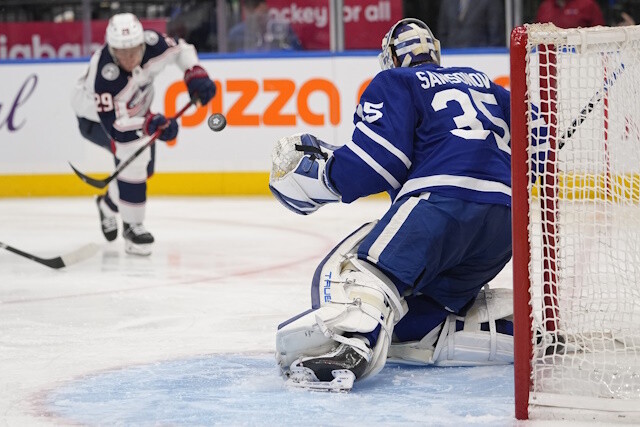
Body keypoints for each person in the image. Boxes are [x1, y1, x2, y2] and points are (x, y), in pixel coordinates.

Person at [269, 18, 514, 391]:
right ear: (435, 50)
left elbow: (376, 163)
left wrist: (327, 177)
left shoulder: (395, 82)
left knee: (364, 271)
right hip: (505, 221)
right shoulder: (490, 87)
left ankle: (351, 348)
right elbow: (538, 143)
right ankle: (509, 330)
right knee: (415, 316)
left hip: (441, 202)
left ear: (391, 57)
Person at [71, 13, 216, 256]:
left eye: (134, 50)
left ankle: (107, 205)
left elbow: (181, 50)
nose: (129, 58)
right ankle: (133, 227)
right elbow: (116, 127)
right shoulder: (105, 76)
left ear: (142, 43)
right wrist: (149, 124)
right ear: (111, 49)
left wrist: (194, 72)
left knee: (143, 171)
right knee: (134, 159)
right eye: (121, 53)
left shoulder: (153, 43)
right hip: (95, 121)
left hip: (137, 110)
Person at [227, 0, 301, 52]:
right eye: (257, 17)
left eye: (264, 14)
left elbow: (297, 54)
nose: (260, 20)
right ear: (247, 12)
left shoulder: (282, 30)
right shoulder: (236, 34)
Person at [437, 0, 505, 47]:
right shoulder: (447, 2)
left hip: (481, 57)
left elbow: (496, 35)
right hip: (452, 57)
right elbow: (442, 33)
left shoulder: (490, 1)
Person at [535, 0, 605, 28]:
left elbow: (600, 33)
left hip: (581, 56)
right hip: (549, 55)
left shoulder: (588, 4)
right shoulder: (545, 6)